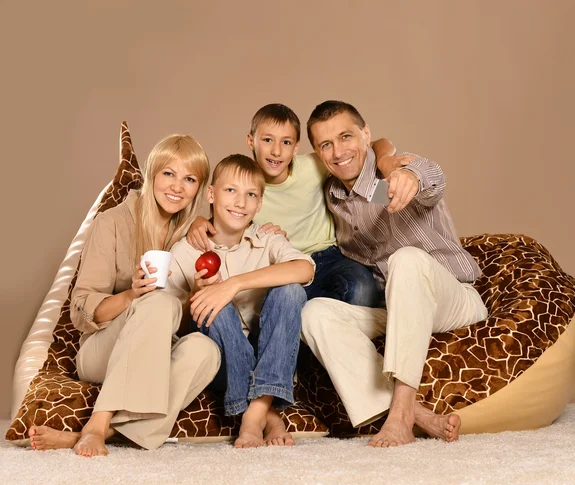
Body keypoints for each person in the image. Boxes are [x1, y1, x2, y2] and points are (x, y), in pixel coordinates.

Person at [301, 100, 489, 447]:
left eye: (346, 137)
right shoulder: (334, 195)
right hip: (400, 308)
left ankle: (401, 414)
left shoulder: (396, 169)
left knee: (407, 259)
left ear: (366, 134)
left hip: (453, 299)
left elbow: (431, 175)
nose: (339, 151)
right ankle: (419, 414)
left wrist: (405, 175)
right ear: (317, 154)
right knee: (313, 313)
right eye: (326, 144)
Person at [28, 135, 221, 456]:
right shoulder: (112, 223)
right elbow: (82, 312)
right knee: (158, 301)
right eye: (168, 174)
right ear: (152, 174)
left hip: (154, 351)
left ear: (198, 189)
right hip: (102, 349)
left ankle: (89, 436)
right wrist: (133, 294)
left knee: (206, 350)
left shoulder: (189, 234)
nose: (177, 186)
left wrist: (195, 297)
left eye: (189, 179)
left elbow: (175, 321)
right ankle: (95, 425)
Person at [187, 104, 405, 307]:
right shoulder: (246, 183)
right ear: (251, 141)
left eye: (286, 142)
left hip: (329, 255)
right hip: (282, 261)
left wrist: (386, 161)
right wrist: (199, 222)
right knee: (278, 302)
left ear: (296, 148)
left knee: (361, 288)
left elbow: (376, 143)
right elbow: (225, 214)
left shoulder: (314, 166)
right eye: (267, 140)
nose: (276, 151)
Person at [168, 154, 315, 448]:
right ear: (211, 194)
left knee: (291, 291)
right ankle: (266, 412)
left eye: (250, 195)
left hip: (270, 355)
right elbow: (170, 324)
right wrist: (197, 296)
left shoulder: (266, 238)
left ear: (259, 204)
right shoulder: (186, 250)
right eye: (230, 191)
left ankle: (253, 414)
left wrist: (233, 285)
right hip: (222, 363)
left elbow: (305, 269)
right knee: (212, 302)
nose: (240, 202)